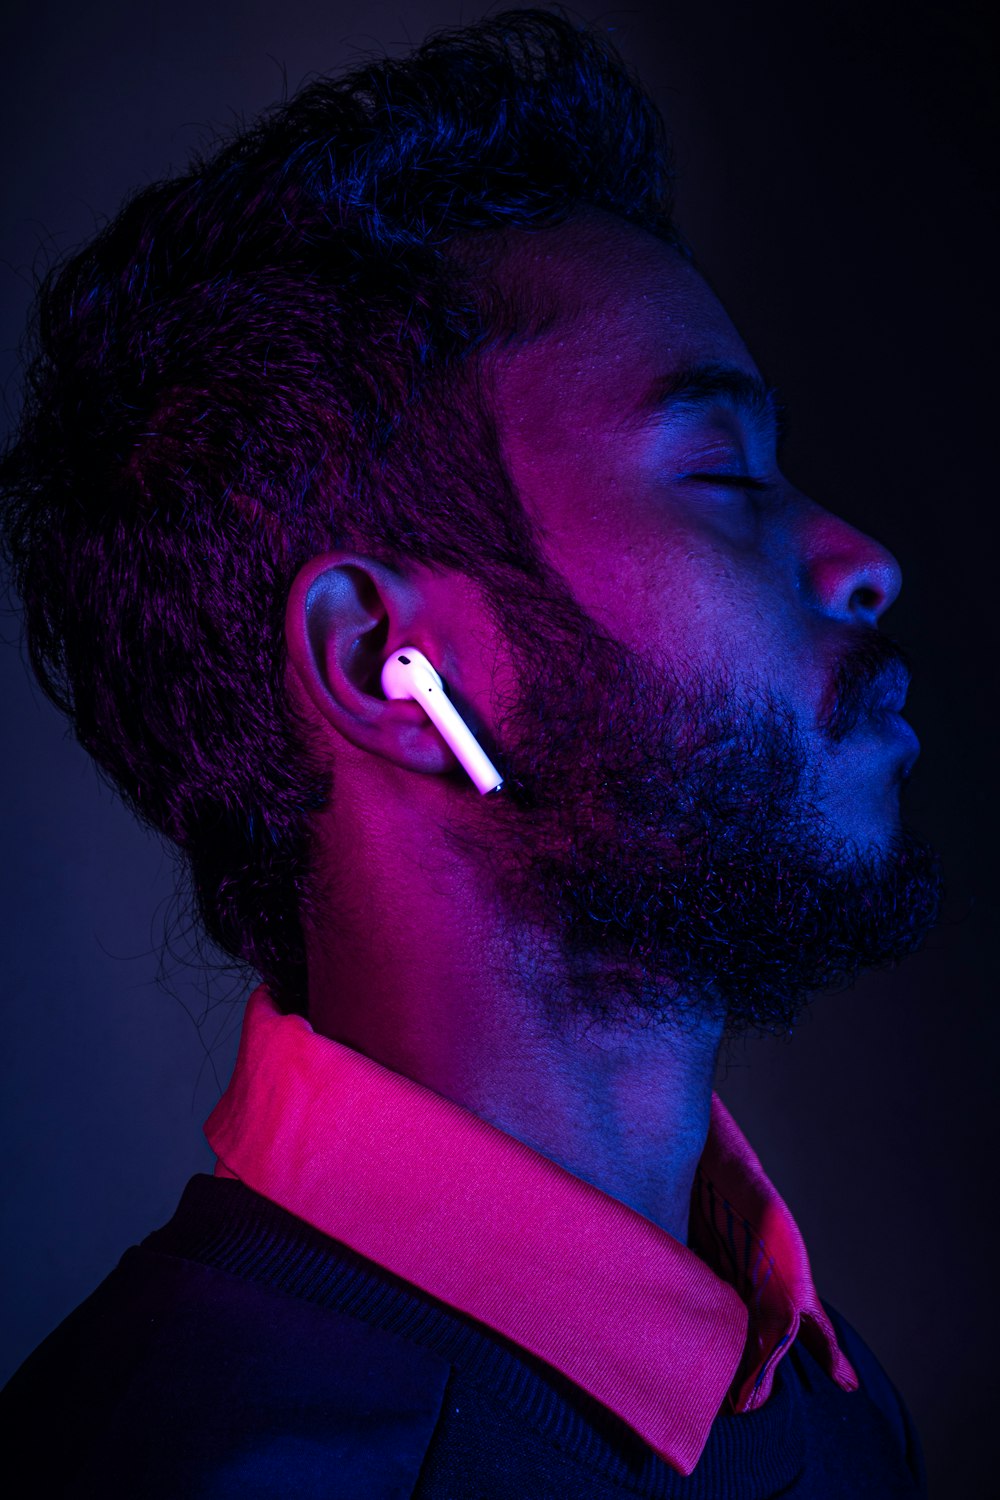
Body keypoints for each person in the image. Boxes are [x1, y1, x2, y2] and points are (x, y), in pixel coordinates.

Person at [0, 7, 944, 1495]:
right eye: (718, 473)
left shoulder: (823, 1391)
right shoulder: (197, 1464)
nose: (862, 561)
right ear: (390, 669)